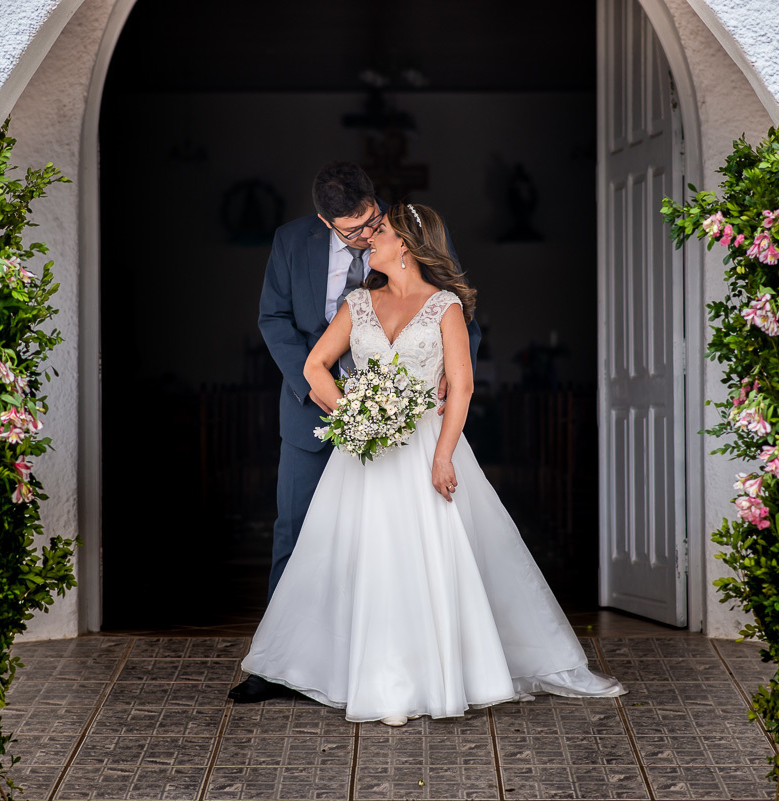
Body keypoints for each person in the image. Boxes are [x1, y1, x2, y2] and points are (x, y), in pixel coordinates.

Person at [239, 202, 625, 726]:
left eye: (379, 231)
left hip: (425, 448)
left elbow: (461, 386)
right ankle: (363, 674)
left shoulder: (445, 306)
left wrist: (443, 455)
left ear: (405, 245)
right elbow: (314, 365)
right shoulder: (358, 302)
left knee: (427, 557)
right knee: (359, 558)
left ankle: (433, 672)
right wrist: (354, 415)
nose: (368, 239)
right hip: (364, 455)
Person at [230, 163, 481, 704]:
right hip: (313, 410)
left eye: (371, 222)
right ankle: (279, 665)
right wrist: (323, 394)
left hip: (410, 416)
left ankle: (391, 660)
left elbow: (457, 307)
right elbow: (274, 319)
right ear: (326, 221)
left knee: (396, 541)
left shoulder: (407, 228)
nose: (366, 237)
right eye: (353, 231)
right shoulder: (291, 241)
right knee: (300, 533)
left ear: (376, 202)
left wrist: (447, 370)